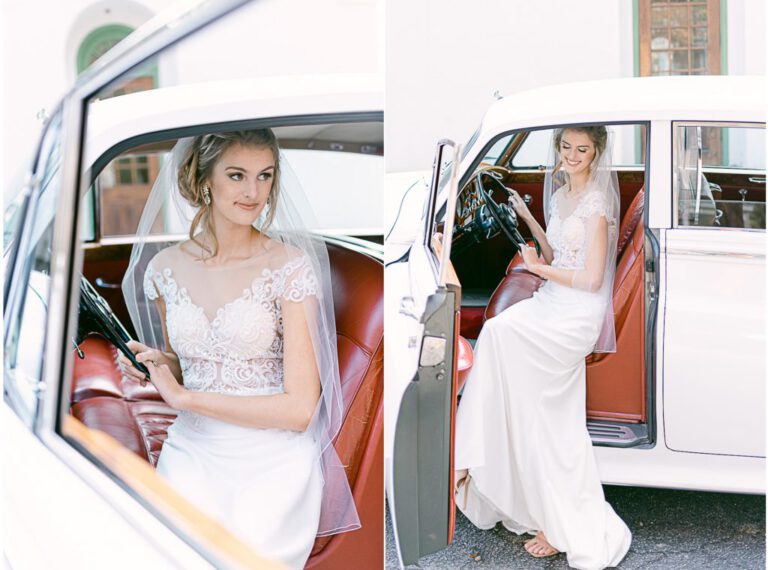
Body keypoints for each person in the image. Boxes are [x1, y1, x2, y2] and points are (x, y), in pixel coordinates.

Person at [118, 130, 359, 569]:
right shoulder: (165, 269)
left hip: (271, 458)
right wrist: (155, 364)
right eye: (237, 175)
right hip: (194, 446)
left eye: (264, 176)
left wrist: (185, 399)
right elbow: (185, 362)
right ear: (204, 180)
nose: (253, 192)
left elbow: (301, 409)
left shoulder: (289, 268)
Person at [453, 125, 632, 569]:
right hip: (554, 299)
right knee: (499, 332)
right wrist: (527, 220)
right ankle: (479, 460)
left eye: (582, 149)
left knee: (499, 334)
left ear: (596, 153)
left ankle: (473, 460)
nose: (572, 155)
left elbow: (590, 279)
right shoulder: (561, 193)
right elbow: (554, 254)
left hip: (577, 312)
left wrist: (536, 270)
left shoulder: (597, 205)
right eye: (566, 147)